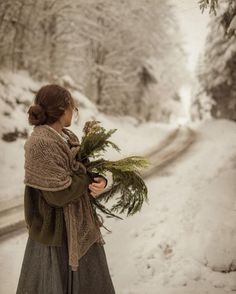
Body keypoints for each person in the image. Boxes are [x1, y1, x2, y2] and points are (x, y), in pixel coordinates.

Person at [16, 84, 116, 294]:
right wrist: (84, 177)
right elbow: (59, 194)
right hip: (55, 237)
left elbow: (84, 170)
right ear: (61, 109)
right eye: (72, 107)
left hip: (80, 229)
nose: (74, 111)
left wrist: (99, 180)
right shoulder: (40, 144)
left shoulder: (68, 138)